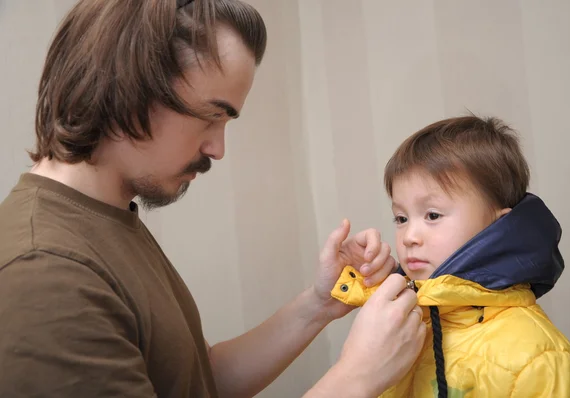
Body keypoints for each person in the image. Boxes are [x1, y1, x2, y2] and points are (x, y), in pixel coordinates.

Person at [0, 0, 427, 397]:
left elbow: (200, 378)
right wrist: (357, 378)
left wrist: (318, 304)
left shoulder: (104, 220)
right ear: (127, 86)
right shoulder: (46, 270)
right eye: (211, 115)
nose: (217, 149)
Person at [330, 115, 570, 397]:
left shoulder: (541, 360)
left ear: (498, 226)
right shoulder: (394, 329)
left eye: (432, 215)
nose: (409, 237)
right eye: (401, 218)